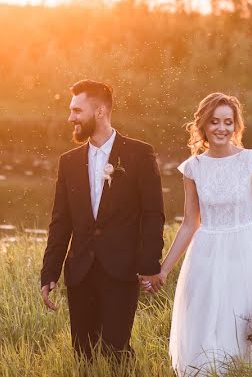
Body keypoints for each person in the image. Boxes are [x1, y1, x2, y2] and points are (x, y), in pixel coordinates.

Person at [153, 92, 252, 375]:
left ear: (236, 126)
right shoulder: (193, 168)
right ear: (202, 124)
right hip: (206, 253)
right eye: (214, 121)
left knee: (244, 318)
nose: (221, 128)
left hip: (245, 250)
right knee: (207, 319)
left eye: (228, 122)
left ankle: (247, 371)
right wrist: (164, 270)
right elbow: (190, 223)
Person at [39, 79, 165, 362]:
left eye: (76, 110)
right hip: (80, 272)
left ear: (99, 112)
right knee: (83, 354)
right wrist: (50, 273)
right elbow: (60, 222)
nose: (70, 117)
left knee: (116, 351)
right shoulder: (68, 162)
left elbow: (153, 214)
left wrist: (148, 265)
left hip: (121, 270)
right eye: (71, 111)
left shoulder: (139, 154)